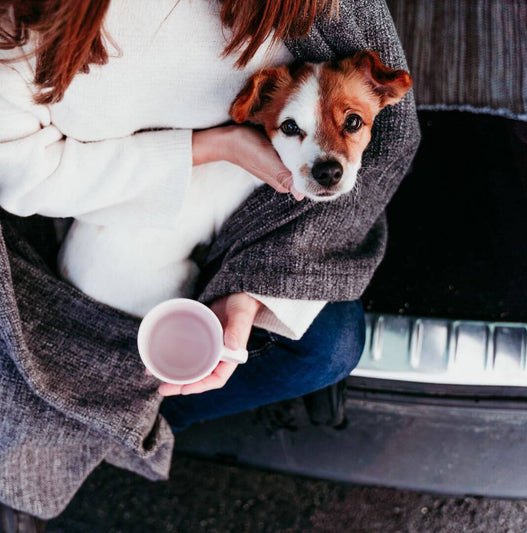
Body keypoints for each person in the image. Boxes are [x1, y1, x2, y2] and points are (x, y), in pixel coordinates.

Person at [0, 0, 420, 527]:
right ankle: (120, 426)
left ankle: (130, 420)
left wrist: (246, 290)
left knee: (331, 344)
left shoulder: (327, 33)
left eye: (351, 124)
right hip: (96, 222)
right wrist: (215, 145)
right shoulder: (19, 29)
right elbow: (20, 171)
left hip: (147, 236)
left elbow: (389, 138)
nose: (329, 153)